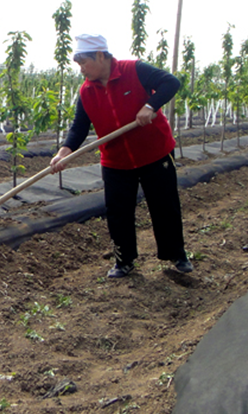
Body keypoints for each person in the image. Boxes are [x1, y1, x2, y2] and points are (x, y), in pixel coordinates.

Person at [49, 34, 193, 279]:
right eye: (79, 64)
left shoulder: (134, 70)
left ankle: (176, 254)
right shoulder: (86, 91)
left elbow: (171, 82)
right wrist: (64, 152)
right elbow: (79, 127)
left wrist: (150, 106)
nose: (81, 69)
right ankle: (123, 261)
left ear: (101, 55)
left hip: (155, 152)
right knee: (118, 211)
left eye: (84, 62)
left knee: (164, 205)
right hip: (116, 160)